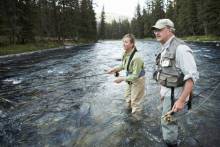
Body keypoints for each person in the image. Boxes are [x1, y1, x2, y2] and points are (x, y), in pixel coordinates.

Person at [152, 19, 199, 147]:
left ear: (170, 30)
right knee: (170, 122)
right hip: (167, 94)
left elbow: (192, 78)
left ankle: (172, 144)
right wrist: (161, 92)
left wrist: (181, 100)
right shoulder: (164, 48)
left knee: (167, 125)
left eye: (160, 29)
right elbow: (163, 72)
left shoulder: (181, 49)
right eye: (155, 30)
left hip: (175, 96)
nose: (156, 32)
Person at [106, 34, 145, 118]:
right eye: (123, 41)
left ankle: (136, 121)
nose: (123, 44)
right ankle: (128, 114)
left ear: (132, 44)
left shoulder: (137, 58)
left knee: (135, 102)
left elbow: (135, 76)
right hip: (129, 78)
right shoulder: (125, 53)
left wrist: (122, 79)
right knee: (128, 98)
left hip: (138, 80)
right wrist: (113, 69)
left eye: (126, 42)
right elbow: (123, 65)